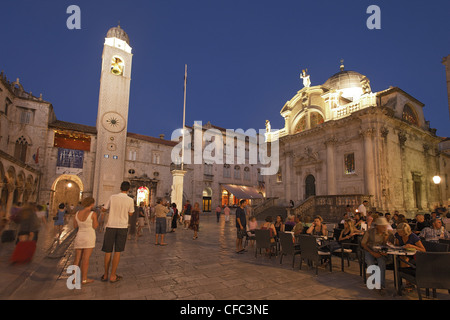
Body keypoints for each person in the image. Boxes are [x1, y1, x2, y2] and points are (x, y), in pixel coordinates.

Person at [101, 181, 135, 283]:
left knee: (108, 251)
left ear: (120, 188)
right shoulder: (130, 200)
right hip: (122, 227)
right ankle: (113, 275)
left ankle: (105, 274)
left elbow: (104, 209)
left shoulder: (112, 197)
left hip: (111, 226)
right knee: (118, 251)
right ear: (128, 189)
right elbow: (131, 213)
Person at [361, 217, 395, 295]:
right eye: (383, 226)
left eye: (385, 226)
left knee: (381, 263)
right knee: (370, 262)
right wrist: (372, 252)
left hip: (380, 251)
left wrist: (386, 239)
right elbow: (363, 243)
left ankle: (381, 284)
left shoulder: (387, 233)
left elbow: (388, 245)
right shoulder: (370, 232)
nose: (384, 227)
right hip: (369, 250)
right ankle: (375, 281)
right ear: (377, 226)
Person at [73, 197, 98, 285]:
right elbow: (95, 226)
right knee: (86, 259)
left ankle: (74, 279)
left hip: (79, 236)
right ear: (91, 204)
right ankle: (84, 278)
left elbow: (75, 226)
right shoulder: (93, 214)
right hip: (89, 236)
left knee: (77, 259)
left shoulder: (77, 213)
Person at [394, 222, 426, 292]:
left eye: (400, 232)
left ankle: (408, 283)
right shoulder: (398, 235)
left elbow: (423, 250)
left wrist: (412, 246)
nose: (399, 233)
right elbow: (397, 245)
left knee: (404, 259)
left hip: (413, 256)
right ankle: (406, 283)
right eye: (398, 231)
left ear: (405, 231)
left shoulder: (413, 237)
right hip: (402, 254)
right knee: (402, 258)